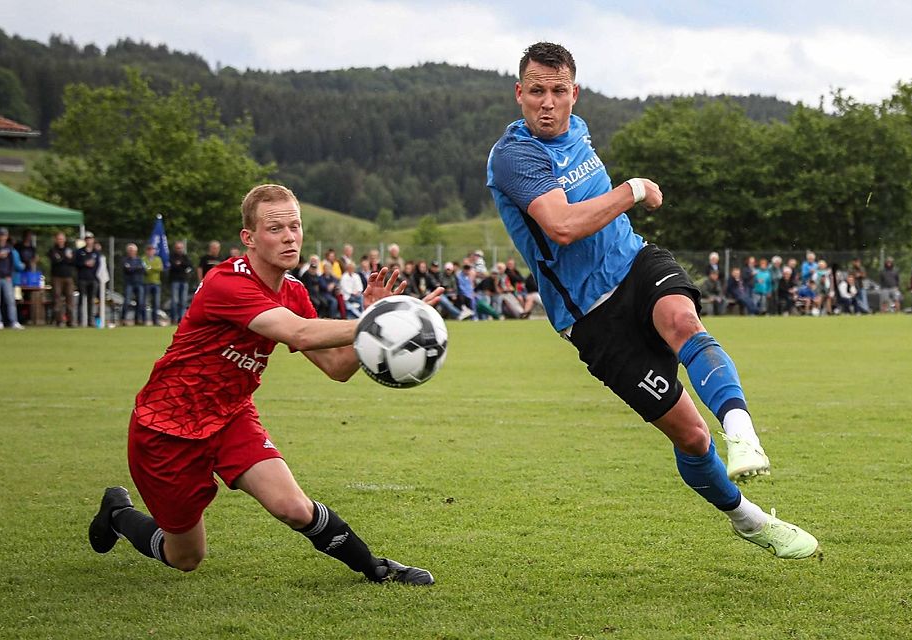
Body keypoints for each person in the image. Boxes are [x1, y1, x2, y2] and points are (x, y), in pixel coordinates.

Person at [487, 42, 817, 559]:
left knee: (683, 320)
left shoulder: (578, 129)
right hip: (591, 315)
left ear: (574, 93)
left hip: (635, 262)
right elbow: (562, 226)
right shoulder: (514, 155)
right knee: (691, 436)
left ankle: (742, 433)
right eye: (536, 91)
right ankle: (749, 520)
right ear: (518, 94)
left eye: (557, 91)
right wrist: (634, 190)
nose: (547, 103)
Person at [88, 184, 436, 585]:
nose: (289, 237)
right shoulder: (226, 282)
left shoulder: (293, 291)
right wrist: (381, 323)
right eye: (275, 228)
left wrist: (373, 326)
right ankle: (118, 514)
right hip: (167, 427)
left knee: (293, 507)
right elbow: (300, 333)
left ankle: (377, 569)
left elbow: (338, 367)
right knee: (185, 556)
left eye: (295, 226)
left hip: (231, 416)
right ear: (249, 238)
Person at [48, 232, 77, 327]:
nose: (60, 240)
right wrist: (66, 258)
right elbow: (56, 261)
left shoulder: (69, 249)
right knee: (57, 298)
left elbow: (73, 261)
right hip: (57, 277)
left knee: (70, 298)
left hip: (68, 277)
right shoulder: (53, 250)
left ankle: (71, 321)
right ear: (56, 240)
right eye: (59, 238)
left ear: (65, 239)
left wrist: (63, 258)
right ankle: (59, 321)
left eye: (62, 238)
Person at [0, 227, 24, 329]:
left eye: (4, 235)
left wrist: (9, 274)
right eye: (1, 235)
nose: (2, 237)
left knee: (10, 301)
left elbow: (12, 263)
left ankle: (14, 321)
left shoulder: (9, 248)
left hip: (7, 277)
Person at [75, 233, 101, 327]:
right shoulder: (79, 252)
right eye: (87, 239)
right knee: (81, 300)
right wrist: (85, 264)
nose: (89, 241)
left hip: (93, 279)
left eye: (90, 239)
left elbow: (98, 265)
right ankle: (79, 320)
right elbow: (76, 263)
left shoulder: (96, 252)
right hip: (82, 278)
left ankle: (91, 321)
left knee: (91, 301)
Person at [168, 241, 194, 324]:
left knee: (183, 301)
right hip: (175, 280)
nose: (179, 249)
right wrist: (182, 265)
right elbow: (173, 266)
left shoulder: (185, 257)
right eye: (177, 248)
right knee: (174, 301)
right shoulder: (171, 256)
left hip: (184, 280)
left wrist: (180, 264)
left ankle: (182, 319)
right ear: (175, 248)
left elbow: (189, 265)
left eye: (180, 248)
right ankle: (174, 319)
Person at [121, 243, 146, 326]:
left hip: (139, 283)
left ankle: (137, 319)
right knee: (127, 302)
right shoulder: (125, 260)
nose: (131, 252)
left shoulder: (140, 260)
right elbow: (128, 270)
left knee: (140, 302)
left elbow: (143, 270)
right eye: (130, 250)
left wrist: (133, 268)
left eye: (133, 250)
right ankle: (123, 319)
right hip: (129, 283)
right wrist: (136, 268)